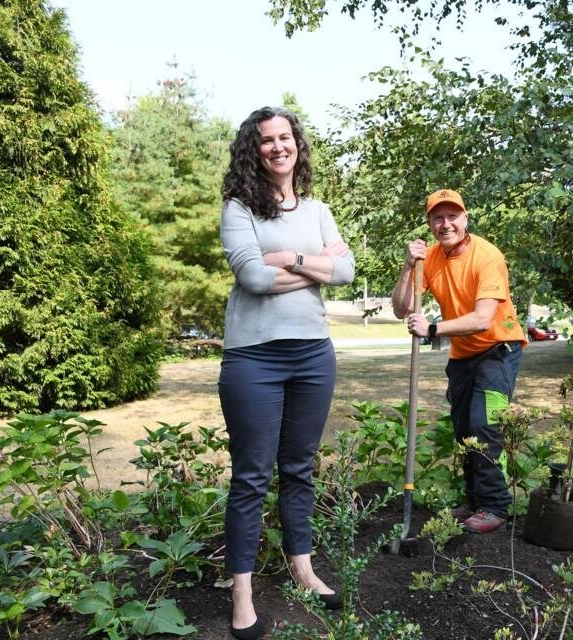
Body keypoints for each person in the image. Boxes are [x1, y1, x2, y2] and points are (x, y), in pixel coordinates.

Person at [218, 107, 354, 639]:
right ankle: (243, 595)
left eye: (285, 137)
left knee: (299, 469)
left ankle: (303, 569)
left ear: (297, 143)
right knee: (251, 477)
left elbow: (347, 271)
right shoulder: (239, 208)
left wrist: (291, 256)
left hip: (313, 355)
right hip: (254, 358)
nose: (278, 147)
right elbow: (253, 278)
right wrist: (317, 264)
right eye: (266, 140)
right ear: (254, 150)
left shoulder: (318, 209)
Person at [392, 189, 527, 535]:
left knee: (485, 425)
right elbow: (401, 309)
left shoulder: (487, 256)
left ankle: (495, 506)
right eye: (438, 217)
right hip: (464, 356)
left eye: (453, 216)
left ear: (465, 219)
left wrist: (433, 329)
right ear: (430, 223)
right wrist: (409, 267)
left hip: (499, 349)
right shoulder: (431, 258)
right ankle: (475, 500)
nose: (446, 223)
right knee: (464, 429)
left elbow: (483, 319)